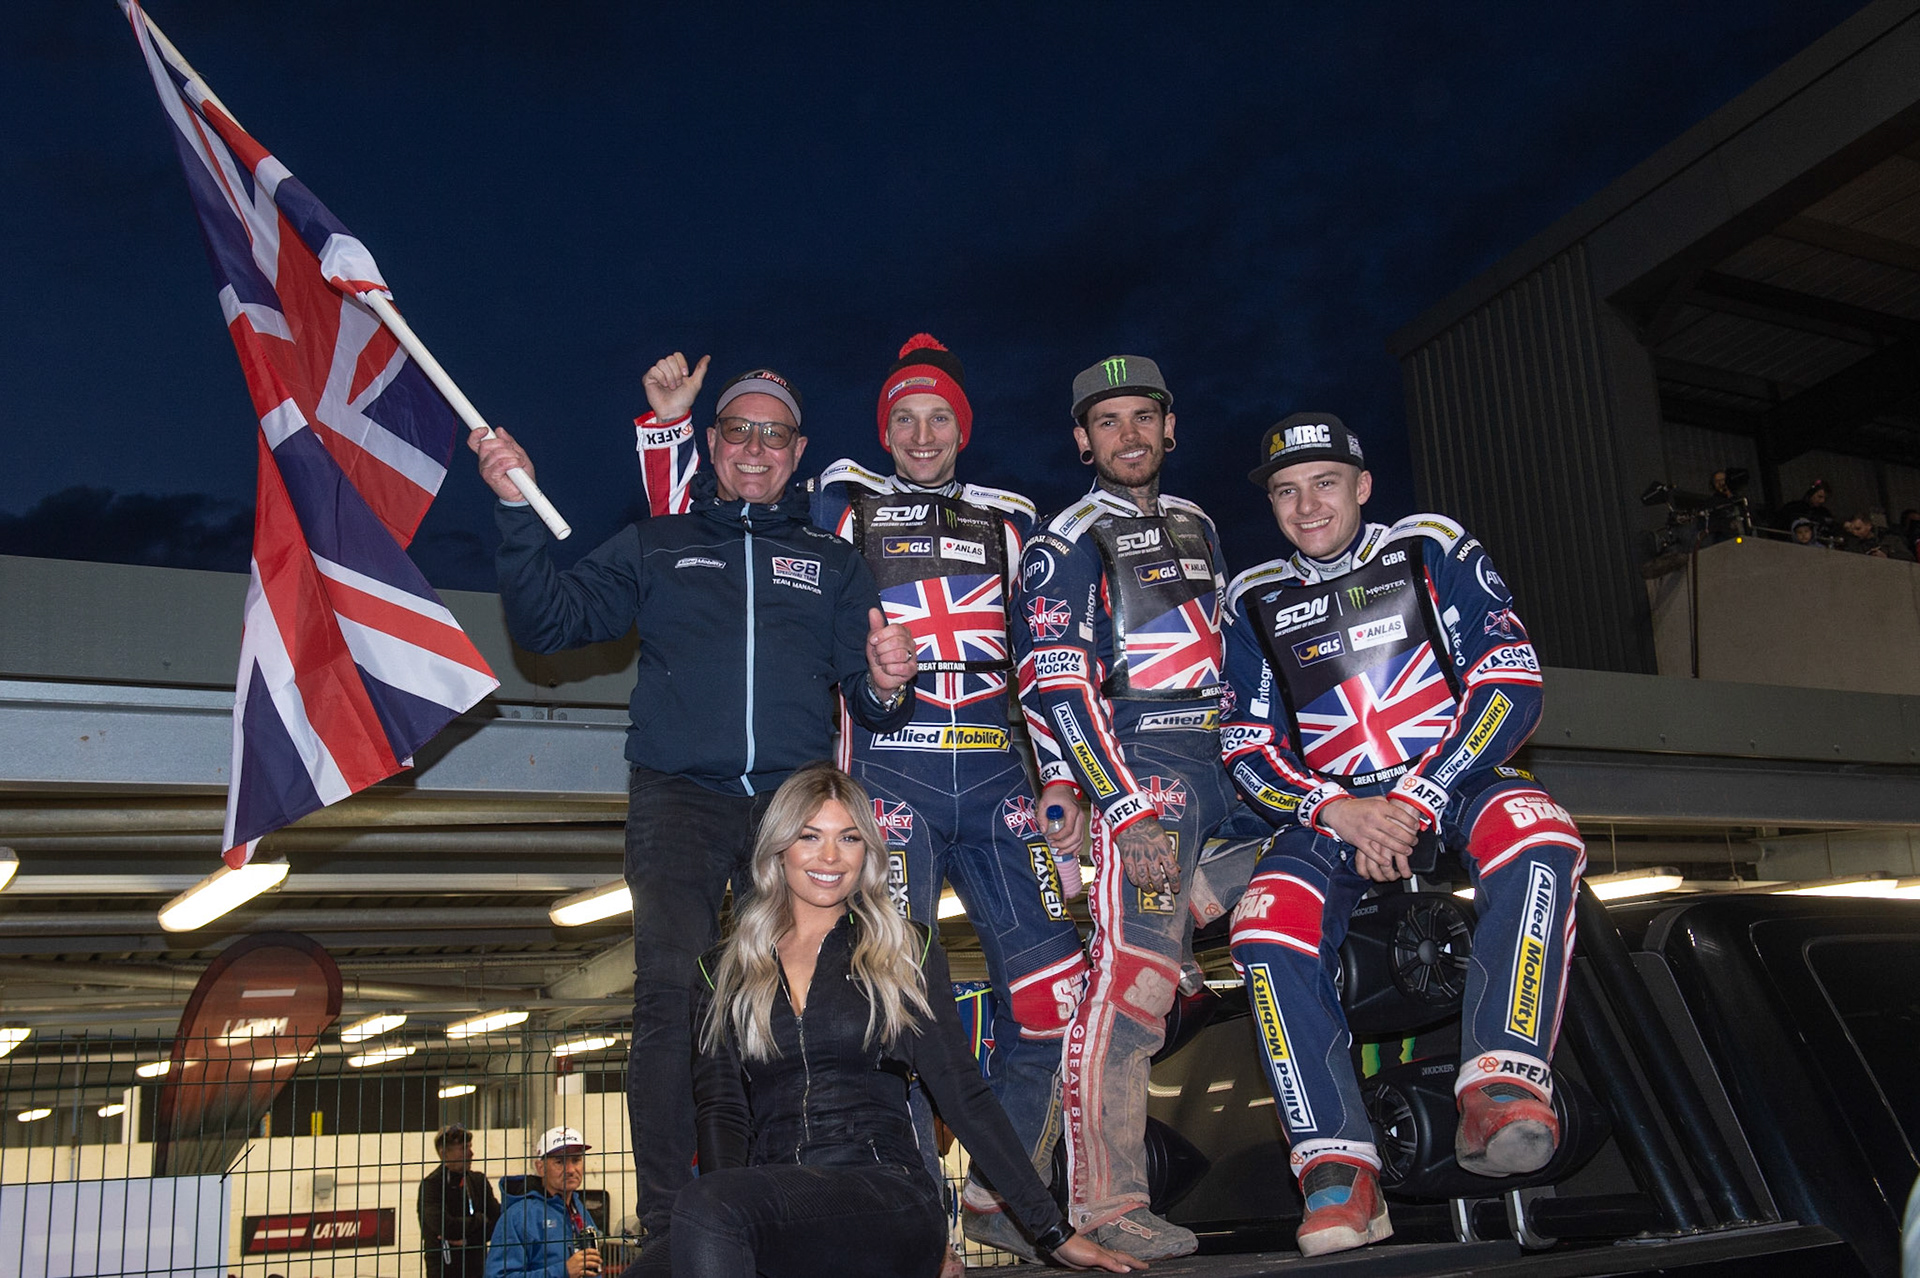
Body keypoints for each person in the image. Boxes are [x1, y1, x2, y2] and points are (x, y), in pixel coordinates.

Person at [629, 340, 1091, 1260]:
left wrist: (1063, 772)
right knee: (818, 998)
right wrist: (667, 433)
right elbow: (706, 537)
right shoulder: (839, 504)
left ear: (966, 427)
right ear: (881, 433)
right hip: (882, 779)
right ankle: (835, 1211)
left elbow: (1051, 659)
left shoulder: (1013, 519)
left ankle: (1007, 1201)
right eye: (904, 420)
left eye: (941, 418)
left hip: (990, 773)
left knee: (1046, 995)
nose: (922, 435)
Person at [470, 368, 920, 1264]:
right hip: (678, 796)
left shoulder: (833, 563)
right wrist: (515, 509)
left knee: (813, 997)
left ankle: (803, 1193)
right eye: (739, 432)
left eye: (775, 436)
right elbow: (549, 623)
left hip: (790, 807)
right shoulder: (658, 545)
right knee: (671, 999)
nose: (756, 447)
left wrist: (885, 680)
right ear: (712, 448)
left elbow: (872, 707)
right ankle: (675, 1223)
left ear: (797, 458)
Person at [1218, 412, 1586, 1256]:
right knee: (1264, 924)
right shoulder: (1254, 598)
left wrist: (1420, 797)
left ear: (1363, 486)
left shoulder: (1432, 546)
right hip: (1331, 810)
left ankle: (1499, 1083)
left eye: (1324, 483)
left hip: (1452, 780)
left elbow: (1510, 681)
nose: (1306, 505)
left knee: (1540, 834)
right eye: (1285, 491)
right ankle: (1337, 1171)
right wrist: (1336, 810)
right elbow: (1244, 745)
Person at [678, 763, 1136, 1277]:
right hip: (776, 1199)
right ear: (779, 848)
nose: (830, 857)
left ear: (867, 852)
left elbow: (962, 1095)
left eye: (849, 838)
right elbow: (722, 1113)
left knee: (708, 1210)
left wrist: (1052, 1230)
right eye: (810, 837)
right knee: (674, 1244)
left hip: (886, 1192)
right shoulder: (723, 970)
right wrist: (734, 1214)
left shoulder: (904, 949)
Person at [1009, 356, 1248, 1261]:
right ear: (1083, 440)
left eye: (1142, 417)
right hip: (1141, 766)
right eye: (1107, 423)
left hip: (1220, 765)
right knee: (1134, 987)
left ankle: (1005, 1183)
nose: (1129, 436)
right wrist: (1122, 807)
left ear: (1170, 427)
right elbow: (1056, 687)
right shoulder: (1066, 539)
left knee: (1308, 847)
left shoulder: (1197, 523)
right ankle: (1108, 1205)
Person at [485, 1127, 601, 1278]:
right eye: (560, 1162)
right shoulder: (519, 1217)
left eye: (576, 1160)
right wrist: (563, 1272)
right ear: (540, 1168)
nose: (571, 1169)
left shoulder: (578, 1209)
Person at [420, 1124, 501, 1278]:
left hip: (478, 1269)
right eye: (464, 1148)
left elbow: (497, 1222)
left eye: (470, 1147)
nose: (471, 1153)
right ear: (445, 1154)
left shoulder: (478, 1181)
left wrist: (467, 1240)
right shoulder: (432, 1185)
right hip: (445, 1271)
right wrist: (480, 1220)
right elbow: (445, 1226)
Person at [1839, 513, 1914, 560]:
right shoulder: (1852, 545)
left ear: (1869, 526)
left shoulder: (1890, 539)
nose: (1855, 533)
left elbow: (1909, 557)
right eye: (1852, 530)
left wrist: (1887, 556)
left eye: (1858, 529)